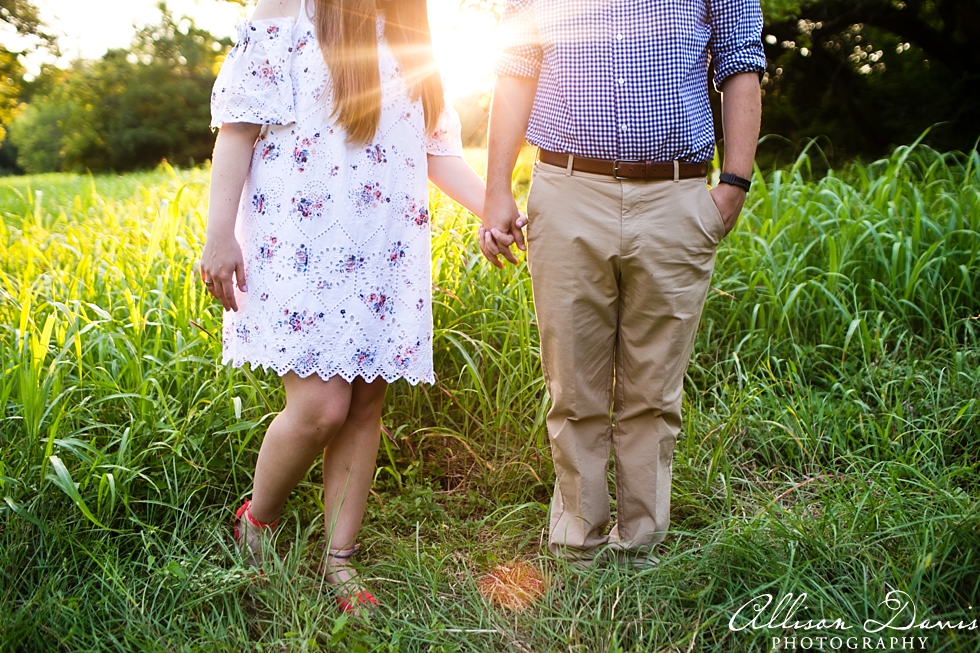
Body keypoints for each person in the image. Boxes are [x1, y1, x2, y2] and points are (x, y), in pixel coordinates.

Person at [200, 0, 485, 612]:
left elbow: (439, 152)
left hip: (384, 249)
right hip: (303, 246)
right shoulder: (289, 10)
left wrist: (498, 210)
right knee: (321, 406)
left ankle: (339, 564)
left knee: (364, 403)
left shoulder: (412, 32)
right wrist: (218, 235)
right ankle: (257, 521)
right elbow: (239, 128)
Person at [481, 0, 766, 567]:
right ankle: (579, 546)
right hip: (566, 190)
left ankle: (641, 548)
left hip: (675, 196)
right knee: (573, 386)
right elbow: (515, 64)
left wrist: (733, 183)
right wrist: (496, 190)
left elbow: (742, 58)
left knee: (653, 393)